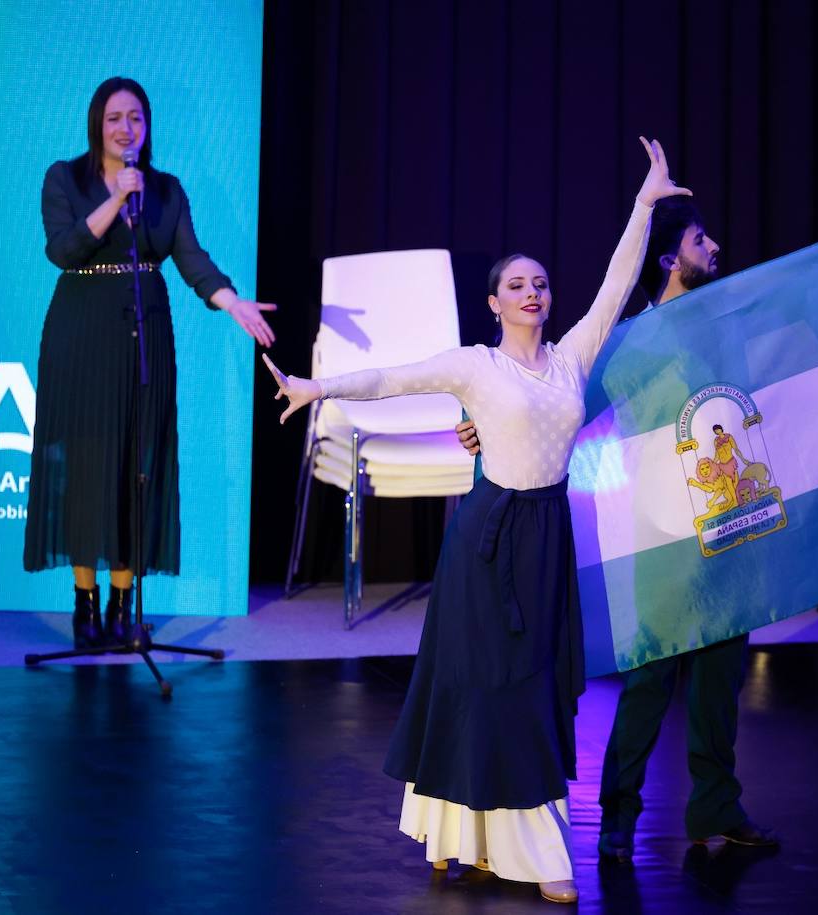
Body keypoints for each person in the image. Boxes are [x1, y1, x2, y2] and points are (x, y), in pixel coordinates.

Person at [263, 138, 688, 904]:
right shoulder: (475, 365)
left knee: (532, 680)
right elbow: (392, 378)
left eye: (540, 283)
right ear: (493, 302)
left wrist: (643, 203)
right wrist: (313, 385)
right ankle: (511, 844)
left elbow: (620, 284)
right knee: (481, 679)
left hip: (546, 532)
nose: (531, 292)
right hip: (486, 536)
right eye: (515, 284)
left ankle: (482, 838)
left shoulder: (571, 358)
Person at [458, 198, 818, 860]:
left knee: (720, 685)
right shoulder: (632, 342)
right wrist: (485, 425)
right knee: (649, 682)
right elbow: (557, 404)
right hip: (663, 544)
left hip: (731, 532)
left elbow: (815, 299)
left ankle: (716, 806)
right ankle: (620, 813)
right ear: (668, 258)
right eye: (698, 238)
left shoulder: (733, 324)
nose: (713, 245)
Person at [24, 77, 276, 648]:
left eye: (135, 118)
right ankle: (84, 603)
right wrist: (115, 198)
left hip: (145, 337)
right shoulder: (66, 177)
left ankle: (122, 603)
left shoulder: (165, 189)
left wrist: (230, 299)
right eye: (114, 118)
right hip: (82, 337)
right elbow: (61, 250)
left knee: (140, 465)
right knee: (88, 466)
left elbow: (191, 260)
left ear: (147, 126)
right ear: (98, 124)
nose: (125, 128)